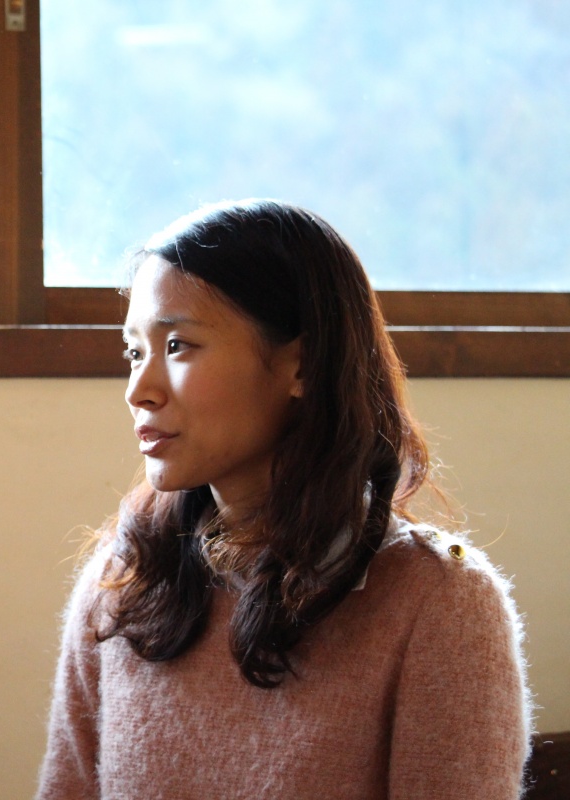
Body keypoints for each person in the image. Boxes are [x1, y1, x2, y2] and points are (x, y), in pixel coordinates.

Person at [36, 199, 531, 799]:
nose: (139, 390)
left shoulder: (440, 605)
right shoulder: (123, 581)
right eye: (134, 352)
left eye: (178, 346)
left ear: (304, 365)